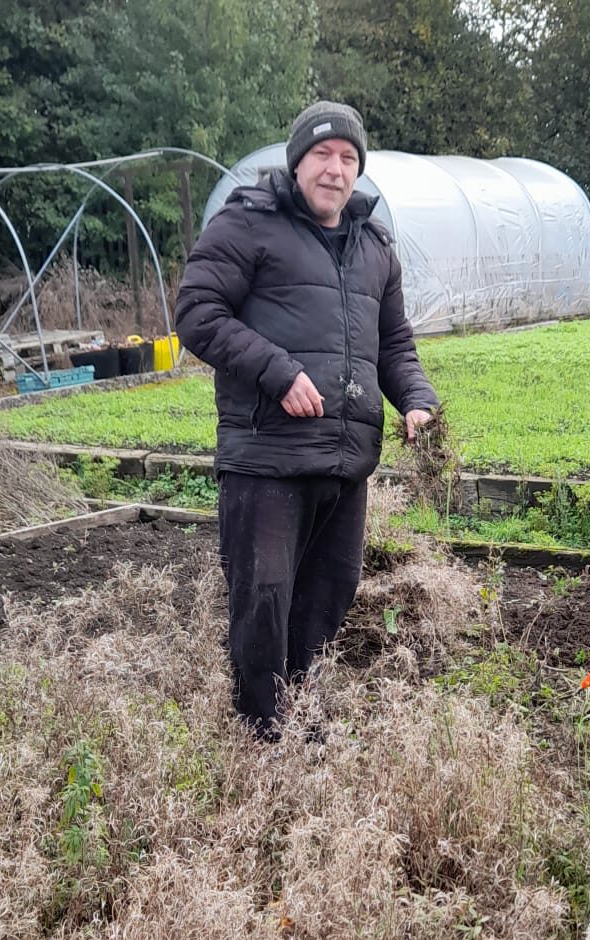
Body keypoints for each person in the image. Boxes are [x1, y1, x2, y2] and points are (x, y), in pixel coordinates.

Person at [175, 100, 438, 738]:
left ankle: (302, 716)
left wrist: (417, 398)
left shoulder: (375, 245)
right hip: (267, 454)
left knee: (330, 592)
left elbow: (393, 340)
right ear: (297, 163)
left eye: (348, 158)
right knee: (263, 596)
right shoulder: (250, 224)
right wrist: (278, 370)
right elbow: (197, 312)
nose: (335, 169)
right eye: (322, 154)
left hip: (344, 459)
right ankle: (260, 736)